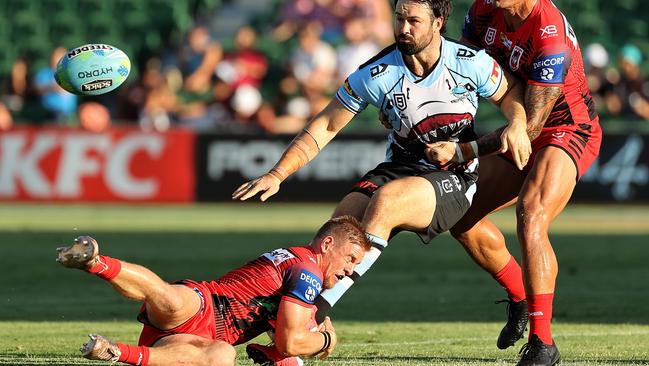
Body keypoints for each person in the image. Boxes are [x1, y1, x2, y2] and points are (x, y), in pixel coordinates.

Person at [233, 0, 531, 355]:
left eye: (414, 21)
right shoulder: (377, 72)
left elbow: (512, 94)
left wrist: (516, 123)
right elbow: (327, 124)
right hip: (401, 166)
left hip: (456, 173)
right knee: (338, 228)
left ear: (438, 22)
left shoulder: (469, 62)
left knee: (388, 203)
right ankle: (299, 339)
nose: (404, 28)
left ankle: (315, 312)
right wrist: (278, 173)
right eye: (399, 18)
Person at [427, 1, 603, 365]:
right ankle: (521, 296)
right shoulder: (483, 11)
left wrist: (462, 152)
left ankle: (543, 343)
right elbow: (456, 72)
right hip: (515, 129)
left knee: (531, 213)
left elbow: (532, 126)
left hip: (567, 129)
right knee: (459, 213)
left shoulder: (549, 33)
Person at [56, 216, 371, 366]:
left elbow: (279, 345)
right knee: (180, 306)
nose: (350, 270)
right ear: (328, 244)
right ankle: (94, 264)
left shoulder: (296, 261)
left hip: (198, 330)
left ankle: (96, 266)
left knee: (174, 303)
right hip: (208, 307)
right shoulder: (308, 271)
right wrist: (326, 339)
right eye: (350, 259)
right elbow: (289, 343)